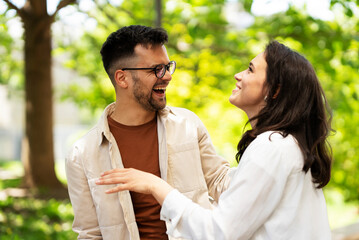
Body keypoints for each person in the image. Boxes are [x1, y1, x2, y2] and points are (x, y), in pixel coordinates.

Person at [96, 40, 333, 240]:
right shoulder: (285, 146)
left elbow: (219, 232)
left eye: (250, 70)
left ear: (275, 90)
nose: (238, 75)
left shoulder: (271, 148)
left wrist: (155, 186)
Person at [65, 25, 231, 240]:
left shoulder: (188, 124)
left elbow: (221, 182)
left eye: (168, 66)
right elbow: (90, 234)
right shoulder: (82, 154)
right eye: (156, 69)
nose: (167, 77)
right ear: (122, 78)